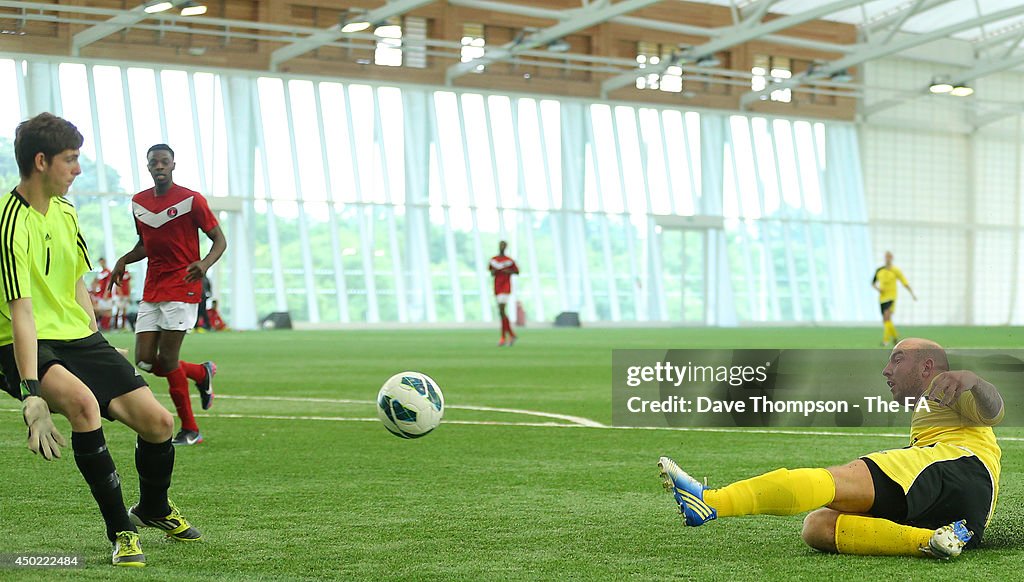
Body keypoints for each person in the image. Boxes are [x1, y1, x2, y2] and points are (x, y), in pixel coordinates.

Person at [0, 113, 201, 567]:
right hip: (20, 341)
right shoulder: (10, 222)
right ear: (41, 161)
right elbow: (22, 314)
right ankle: (121, 531)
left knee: (159, 424)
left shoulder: (67, 212)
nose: (77, 169)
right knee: (84, 405)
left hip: (76, 336)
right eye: (70, 160)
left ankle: (152, 508)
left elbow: (76, 284)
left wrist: (97, 341)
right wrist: (30, 393)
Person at [659, 337, 1002, 559]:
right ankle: (934, 540)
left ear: (927, 365)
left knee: (835, 481)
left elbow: (993, 411)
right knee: (819, 527)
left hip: (962, 469)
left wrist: (975, 380)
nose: (886, 370)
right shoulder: (933, 405)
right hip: (967, 514)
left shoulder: (950, 387)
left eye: (897, 359)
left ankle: (710, 502)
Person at [109, 144, 226, 446]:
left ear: (174, 165)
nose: (159, 166)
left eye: (164, 162)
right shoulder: (139, 202)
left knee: (169, 359)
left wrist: (204, 264)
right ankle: (201, 373)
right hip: (153, 286)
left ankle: (191, 429)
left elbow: (219, 240)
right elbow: (145, 244)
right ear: (148, 167)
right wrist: (124, 259)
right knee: (145, 361)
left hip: (183, 284)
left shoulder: (191, 200)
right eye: (153, 163)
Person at [872, 251, 916, 346]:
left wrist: (912, 293)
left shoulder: (896, 270)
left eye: (889, 257)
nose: (888, 258)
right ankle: (896, 337)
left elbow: (904, 282)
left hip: (891, 297)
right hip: (882, 298)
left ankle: (885, 341)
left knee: (887, 317)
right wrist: (878, 289)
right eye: (886, 257)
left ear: (892, 258)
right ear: (884, 258)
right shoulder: (879, 270)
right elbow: (873, 283)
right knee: (885, 320)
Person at [488, 240, 519, 347]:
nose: (502, 247)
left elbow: (517, 271)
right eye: (500, 245)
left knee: (501, 310)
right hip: (497, 287)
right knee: (501, 312)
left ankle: (503, 337)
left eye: (503, 245)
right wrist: (494, 272)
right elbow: (491, 272)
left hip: (505, 287)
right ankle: (511, 334)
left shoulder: (509, 261)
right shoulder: (494, 260)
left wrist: (508, 272)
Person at [89, 257, 113, 330]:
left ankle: (106, 327)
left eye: (102, 262)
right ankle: (101, 326)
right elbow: (96, 282)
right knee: (102, 311)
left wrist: (106, 293)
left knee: (107, 311)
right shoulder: (101, 273)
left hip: (105, 295)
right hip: (100, 294)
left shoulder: (108, 272)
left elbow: (109, 283)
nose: (101, 264)